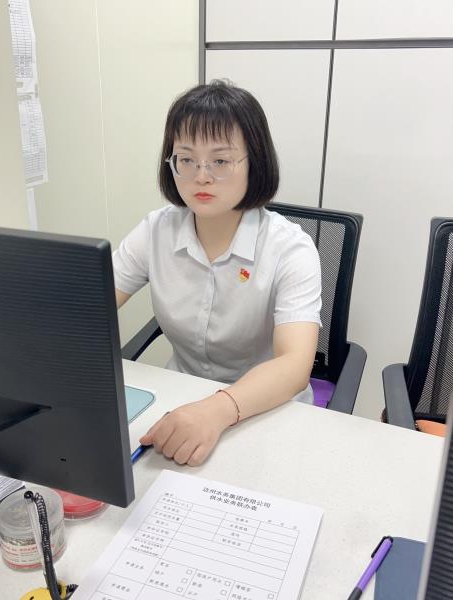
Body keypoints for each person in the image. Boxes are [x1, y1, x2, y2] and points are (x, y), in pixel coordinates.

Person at [113, 80, 322, 466]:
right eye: (186, 159)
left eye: (221, 161)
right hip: (183, 401)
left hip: (268, 411)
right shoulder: (155, 231)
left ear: (254, 162)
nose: (201, 176)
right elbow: (89, 306)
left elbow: (295, 364)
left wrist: (217, 410)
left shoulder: (290, 248)